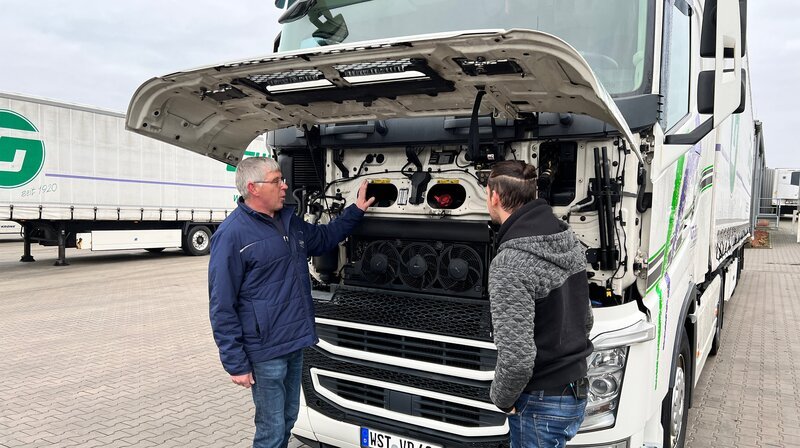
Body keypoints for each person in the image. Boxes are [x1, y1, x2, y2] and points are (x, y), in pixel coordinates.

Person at [208, 157, 374, 448]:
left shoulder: (289, 222)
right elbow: (222, 304)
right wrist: (235, 362)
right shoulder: (232, 235)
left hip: (295, 342)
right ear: (253, 188)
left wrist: (356, 210)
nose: (284, 186)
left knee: (288, 419)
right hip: (266, 351)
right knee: (271, 430)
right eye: (276, 181)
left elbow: (324, 238)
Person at [484, 160, 594, 448]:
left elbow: (517, 359)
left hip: (540, 404)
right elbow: (586, 320)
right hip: (575, 393)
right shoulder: (567, 238)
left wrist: (501, 399)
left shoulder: (510, 263)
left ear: (494, 197)